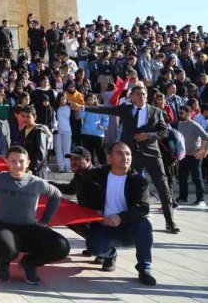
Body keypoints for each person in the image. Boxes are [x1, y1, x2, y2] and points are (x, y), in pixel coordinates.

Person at [71, 84, 178, 233]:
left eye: (144, 94)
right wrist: (82, 108)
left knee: (163, 185)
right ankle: (127, 218)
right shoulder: (125, 109)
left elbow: (164, 131)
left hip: (152, 154)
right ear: (132, 97)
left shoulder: (156, 111)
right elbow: (105, 109)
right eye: (139, 94)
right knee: (128, 185)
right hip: (130, 154)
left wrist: (149, 135)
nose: (142, 96)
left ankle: (170, 222)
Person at [0, 146, 69, 284]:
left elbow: (56, 195)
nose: (17, 165)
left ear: (28, 162)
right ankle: (3, 264)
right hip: (2, 227)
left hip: (28, 228)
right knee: (7, 249)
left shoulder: (36, 182)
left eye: (21, 161)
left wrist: (44, 221)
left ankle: (29, 263)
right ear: (6, 161)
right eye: (13, 161)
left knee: (61, 246)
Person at [78, 142, 157, 285]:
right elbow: (83, 199)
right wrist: (96, 214)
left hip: (128, 227)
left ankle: (144, 268)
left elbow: (143, 208)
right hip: (102, 225)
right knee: (95, 248)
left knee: (144, 224)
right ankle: (110, 254)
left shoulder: (138, 180)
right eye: (120, 153)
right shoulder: (95, 176)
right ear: (110, 157)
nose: (125, 157)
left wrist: (121, 217)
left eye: (128, 154)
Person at [174, 105, 208, 207]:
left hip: (194, 156)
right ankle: (183, 197)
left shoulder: (194, 125)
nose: (179, 115)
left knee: (197, 178)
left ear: (189, 114)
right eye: (179, 113)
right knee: (182, 178)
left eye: (181, 113)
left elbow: (206, 137)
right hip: (183, 156)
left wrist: (203, 149)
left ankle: (200, 200)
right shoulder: (179, 124)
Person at [17, 105, 50, 178]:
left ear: (34, 117)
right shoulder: (22, 131)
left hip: (38, 170)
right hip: (25, 169)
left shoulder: (39, 131)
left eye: (28, 116)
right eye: (23, 116)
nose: (25, 119)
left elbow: (41, 153)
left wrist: (32, 169)